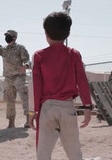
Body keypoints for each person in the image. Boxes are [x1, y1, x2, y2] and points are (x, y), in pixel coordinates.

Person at [28, 12, 93, 160]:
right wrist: (87, 107)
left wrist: (32, 112)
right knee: (74, 153)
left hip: (47, 109)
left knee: (43, 154)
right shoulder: (74, 54)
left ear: (46, 33)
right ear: (68, 33)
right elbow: (82, 81)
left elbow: (35, 85)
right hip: (68, 107)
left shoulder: (39, 56)